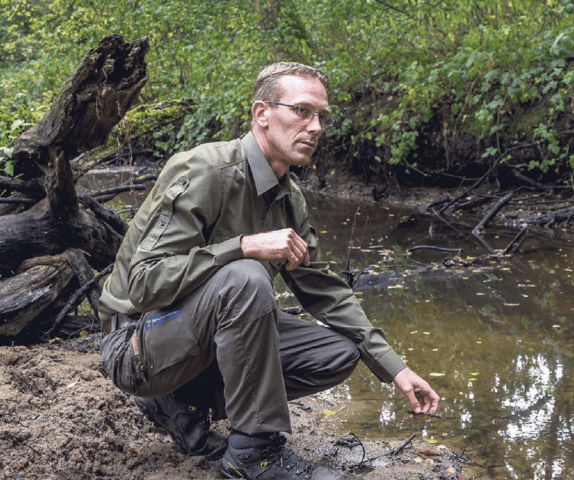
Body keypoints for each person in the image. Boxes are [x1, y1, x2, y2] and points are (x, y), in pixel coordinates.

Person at [97, 62, 440, 480]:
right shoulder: (206, 170)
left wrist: (395, 369)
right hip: (135, 344)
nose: (315, 127)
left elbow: (325, 291)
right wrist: (242, 246)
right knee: (246, 276)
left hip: (193, 344)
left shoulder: (290, 199)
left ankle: (181, 399)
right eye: (302, 111)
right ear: (262, 113)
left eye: (321, 117)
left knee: (338, 352)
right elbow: (143, 284)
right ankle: (254, 454)